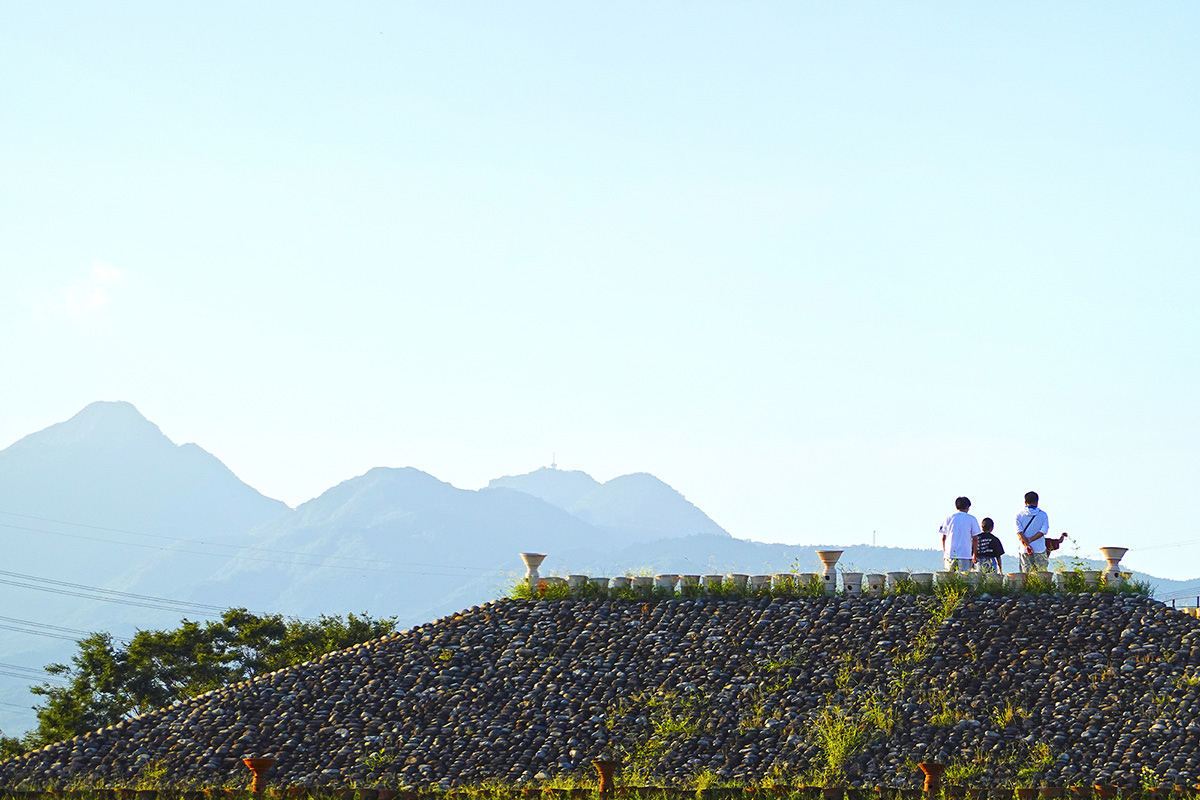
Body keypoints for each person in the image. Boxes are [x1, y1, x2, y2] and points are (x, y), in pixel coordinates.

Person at [940, 496, 981, 572]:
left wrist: (945, 552)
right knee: (964, 579)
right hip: (965, 554)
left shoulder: (948, 518)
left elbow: (943, 538)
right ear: (967, 507)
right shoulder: (972, 519)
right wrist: (974, 553)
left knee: (949, 578)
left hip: (950, 553)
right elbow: (975, 539)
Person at [1015, 490, 1050, 572]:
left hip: (1024, 549)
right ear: (1037, 501)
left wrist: (1027, 544)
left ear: (1025, 502)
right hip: (1039, 548)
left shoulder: (1018, 514)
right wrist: (1031, 539)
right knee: (1042, 574)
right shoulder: (1043, 514)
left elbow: (1019, 532)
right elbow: (1043, 531)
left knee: (1026, 574)